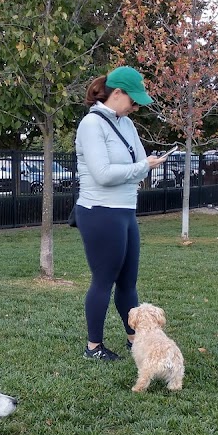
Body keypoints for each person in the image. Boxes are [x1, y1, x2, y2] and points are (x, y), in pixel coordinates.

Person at [74, 66, 166, 360]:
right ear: (116, 94)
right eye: (133, 100)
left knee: (128, 281)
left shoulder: (126, 123)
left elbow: (138, 161)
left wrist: (146, 164)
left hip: (126, 209)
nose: (136, 106)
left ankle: (134, 339)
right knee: (104, 280)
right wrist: (141, 168)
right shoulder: (91, 125)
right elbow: (102, 174)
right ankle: (93, 347)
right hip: (100, 210)